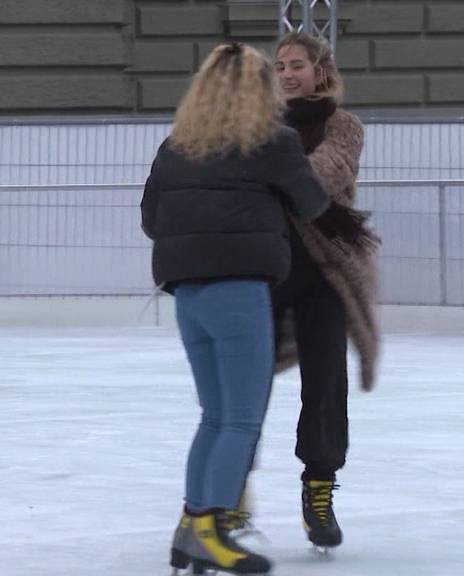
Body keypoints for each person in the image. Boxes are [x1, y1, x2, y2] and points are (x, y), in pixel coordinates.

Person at [142, 42, 331, 575]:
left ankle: (190, 525)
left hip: (188, 295)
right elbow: (314, 203)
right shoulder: (273, 141)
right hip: (240, 293)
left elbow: (152, 218)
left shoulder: (176, 145)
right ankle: (212, 528)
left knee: (215, 416)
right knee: (242, 420)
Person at [272, 31, 380, 550]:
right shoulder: (259, 126)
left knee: (325, 386)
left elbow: (321, 179)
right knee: (241, 388)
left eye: (297, 64)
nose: (288, 73)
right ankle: (229, 492)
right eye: (280, 66)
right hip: (264, 269)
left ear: (320, 70)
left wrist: (262, 170)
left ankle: (320, 488)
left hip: (324, 276)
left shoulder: (343, 126)